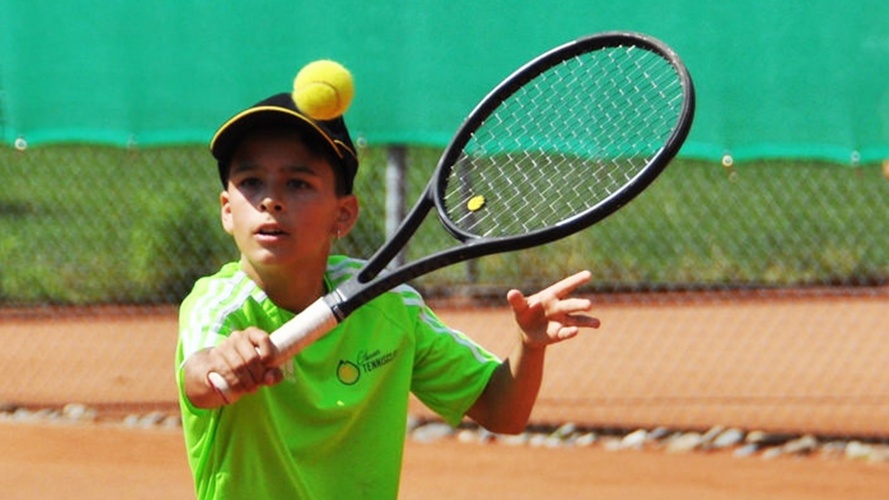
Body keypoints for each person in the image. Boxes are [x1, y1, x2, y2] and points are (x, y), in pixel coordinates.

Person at [176, 86, 600, 499]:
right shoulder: (218, 306)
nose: (271, 200)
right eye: (251, 182)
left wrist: (530, 344)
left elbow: (502, 410)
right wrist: (224, 364)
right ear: (227, 212)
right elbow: (200, 379)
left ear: (343, 215)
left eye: (298, 184)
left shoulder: (385, 302)